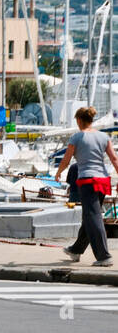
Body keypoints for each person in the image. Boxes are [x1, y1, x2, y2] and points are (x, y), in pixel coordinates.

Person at [55, 105, 118, 266]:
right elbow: (114, 159)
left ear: (79, 120)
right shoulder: (104, 137)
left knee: (93, 216)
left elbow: (66, 160)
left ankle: (104, 256)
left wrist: (58, 173)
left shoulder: (77, 137)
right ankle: (76, 250)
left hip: (88, 181)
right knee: (89, 216)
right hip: (103, 181)